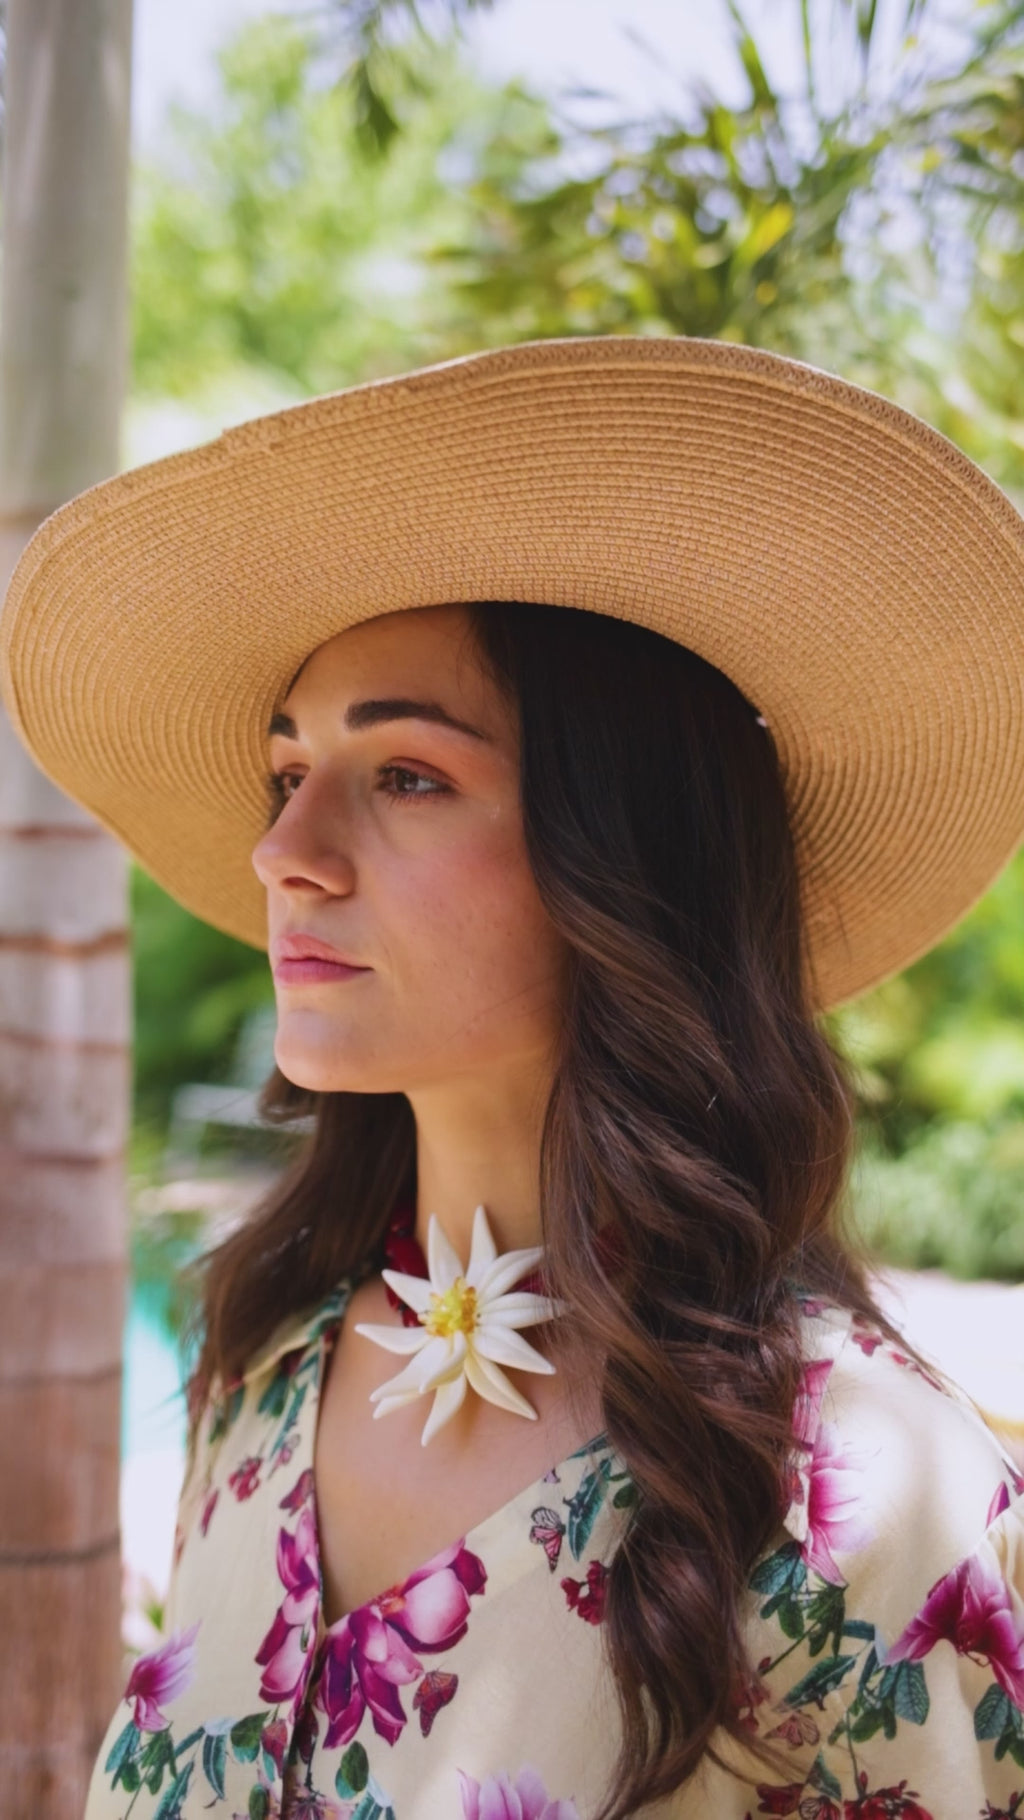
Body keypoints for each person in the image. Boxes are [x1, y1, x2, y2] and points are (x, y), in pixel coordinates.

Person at [2, 336, 1023, 1820]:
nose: (285, 852)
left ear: (627, 858)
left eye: (405, 775)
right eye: (289, 774)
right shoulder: (259, 1375)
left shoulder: (859, 1497)